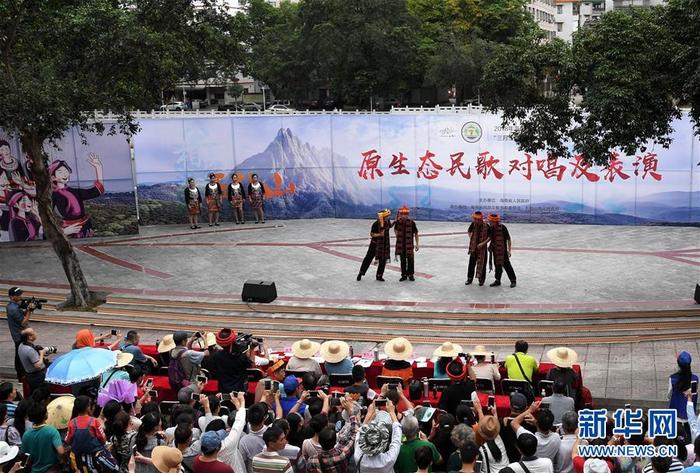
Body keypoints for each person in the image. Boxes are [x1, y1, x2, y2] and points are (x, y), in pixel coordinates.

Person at [49, 155, 104, 238]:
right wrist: (63, 231)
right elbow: (46, 215)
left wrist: (98, 168)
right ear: (53, 177)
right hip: (68, 230)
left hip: (85, 227)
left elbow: (96, 191)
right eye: (60, 172)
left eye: (66, 171)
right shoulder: (53, 195)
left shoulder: (75, 191)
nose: (65, 174)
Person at [353, 400, 402, 473]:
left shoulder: (358, 456)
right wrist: (392, 412)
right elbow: (396, 438)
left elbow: (360, 433)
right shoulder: (389, 459)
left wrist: (369, 414)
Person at [511, 401, 559, 472]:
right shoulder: (557, 437)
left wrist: (530, 410)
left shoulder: (530, 437)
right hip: (545, 469)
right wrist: (536, 423)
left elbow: (513, 423)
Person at [21, 401, 65, 473]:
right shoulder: (52, 431)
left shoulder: (26, 434)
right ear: (45, 415)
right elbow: (61, 452)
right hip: (51, 469)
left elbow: (24, 455)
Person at [6, 286, 35, 382]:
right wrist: (30, 311)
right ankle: (22, 376)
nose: (20, 296)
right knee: (20, 358)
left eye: (20, 294)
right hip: (20, 336)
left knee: (19, 356)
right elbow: (24, 322)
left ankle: (22, 375)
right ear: (11, 297)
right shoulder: (13, 309)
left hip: (20, 335)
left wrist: (27, 309)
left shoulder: (13, 306)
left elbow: (23, 315)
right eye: (18, 295)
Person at [214, 328, 255, 394]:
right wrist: (252, 349)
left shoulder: (217, 355)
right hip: (238, 391)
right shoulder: (239, 357)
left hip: (222, 389)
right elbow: (252, 364)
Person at [670, 351, 699, 442]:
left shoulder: (673, 378)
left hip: (675, 414)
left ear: (678, 364)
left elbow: (669, 395)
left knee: (673, 439)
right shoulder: (695, 379)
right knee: (689, 438)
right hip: (689, 416)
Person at [357, 209, 392, 282]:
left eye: (388, 216)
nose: (388, 218)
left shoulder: (387, 222)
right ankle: (361, 272)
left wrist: (396, 221)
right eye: (386, 216)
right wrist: (379, 234)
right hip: (374, 244)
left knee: (383, 260)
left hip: (384, 245)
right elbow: (372, 234)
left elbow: (390, 226)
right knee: (368, 258)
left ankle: (379, 275)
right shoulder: (376, 224)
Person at [240, 402, 271, 473]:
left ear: (248, 419)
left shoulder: (243, 441)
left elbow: (243, 462)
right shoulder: (272, 433)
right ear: (264, 418)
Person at [487, 214, 516, 288]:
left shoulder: (503, 228)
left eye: (490, 221)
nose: (489, 222)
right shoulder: (491, 228)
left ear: (495, 222)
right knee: (497, 265)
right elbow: (490, 238)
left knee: (507, 265)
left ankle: (513, 280)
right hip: (495, 251)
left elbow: (508, 239)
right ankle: (497, 280)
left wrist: (509, 250)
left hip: (503, 251)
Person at [394, 206, 419, 282]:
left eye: (405, 214)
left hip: (409, 245)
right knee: (403, 260)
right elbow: (395, 229)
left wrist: (417, 244)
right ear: (400, 214)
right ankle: (404, 275)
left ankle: (411, 274)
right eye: (402, 214)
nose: (404, 215)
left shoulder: (412, 222)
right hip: (401, 245)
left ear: (408, 214)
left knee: (411, 260)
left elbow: (416, 233)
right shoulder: (398, 222)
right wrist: (397, 236)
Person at [466, 211, 490, 286]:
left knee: (482, 264)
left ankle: (481, 280)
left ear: (481, 219)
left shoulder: (487, 226)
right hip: (474, 248)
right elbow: (469, 231)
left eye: (478, 219)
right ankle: (469, 279)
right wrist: (471, 238)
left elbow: (490, 237)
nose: (476, 221)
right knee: (471, 264)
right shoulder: (473, 224)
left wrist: (483, 243)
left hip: (482, 249)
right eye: (475, 219)